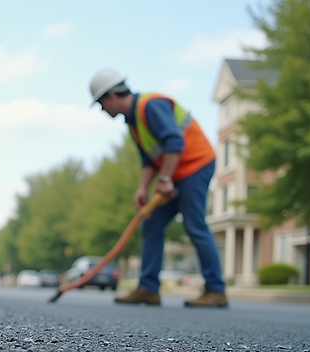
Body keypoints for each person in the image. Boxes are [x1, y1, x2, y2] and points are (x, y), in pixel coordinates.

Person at [89, 68, 228, 308]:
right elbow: (149, 159)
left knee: (195, 224)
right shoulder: (133, 122)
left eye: (102, 104)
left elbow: (174, 141)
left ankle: (216, 290)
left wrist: (164, 180)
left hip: (196, 165)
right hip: (174, 172)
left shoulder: (150, 105)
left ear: (111, 96)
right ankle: (148, 289)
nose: (103, 110)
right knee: (151, 223)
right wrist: (143, 187)